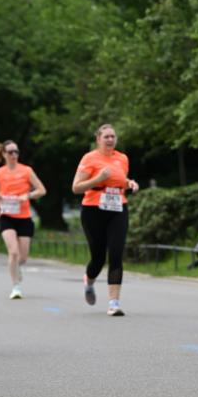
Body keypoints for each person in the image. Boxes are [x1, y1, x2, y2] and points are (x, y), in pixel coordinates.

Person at [72, 123, 139, 316]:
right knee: (98, 257)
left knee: (116, 254)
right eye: (106, 137)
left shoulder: (122, 158)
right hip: (93, 209)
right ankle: (89, 280)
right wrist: (98, 178)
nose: (110, 140)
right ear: (98, 140)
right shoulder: (90, 158)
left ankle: (114, 303)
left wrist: (130, 184)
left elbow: (120, 180)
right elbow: (76, 187)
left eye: (113, 136)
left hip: (118, 207)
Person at [0, 139, 46, 298]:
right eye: (10, 152)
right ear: (3, 154)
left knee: (22, 257)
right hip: (7, 216)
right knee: (13, 252)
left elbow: (42, 190)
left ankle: (17, 268)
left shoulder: (26, 171)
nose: (14, 155)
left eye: (16, 152)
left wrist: (27, 196)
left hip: (24, 216)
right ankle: (16, 286)